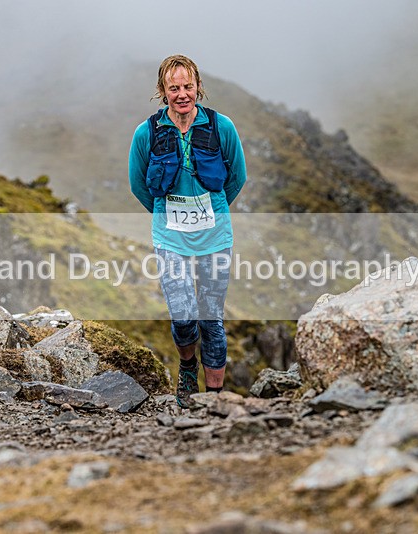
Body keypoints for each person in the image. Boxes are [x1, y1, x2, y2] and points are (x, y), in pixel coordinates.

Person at [128, 54, 247, 407]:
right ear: (162, 92)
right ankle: (187, 367)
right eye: (174, 87)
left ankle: (214, 398)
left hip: (215, 237)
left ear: (198, 88)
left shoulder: (221, 126)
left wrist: (214, 211)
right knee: (182, 315)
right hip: (170, 238)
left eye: (188, 86)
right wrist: (167, 217)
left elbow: (237, 177)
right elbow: (139, 185)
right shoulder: (146, 133)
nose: (182, 94)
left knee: (211, 318)